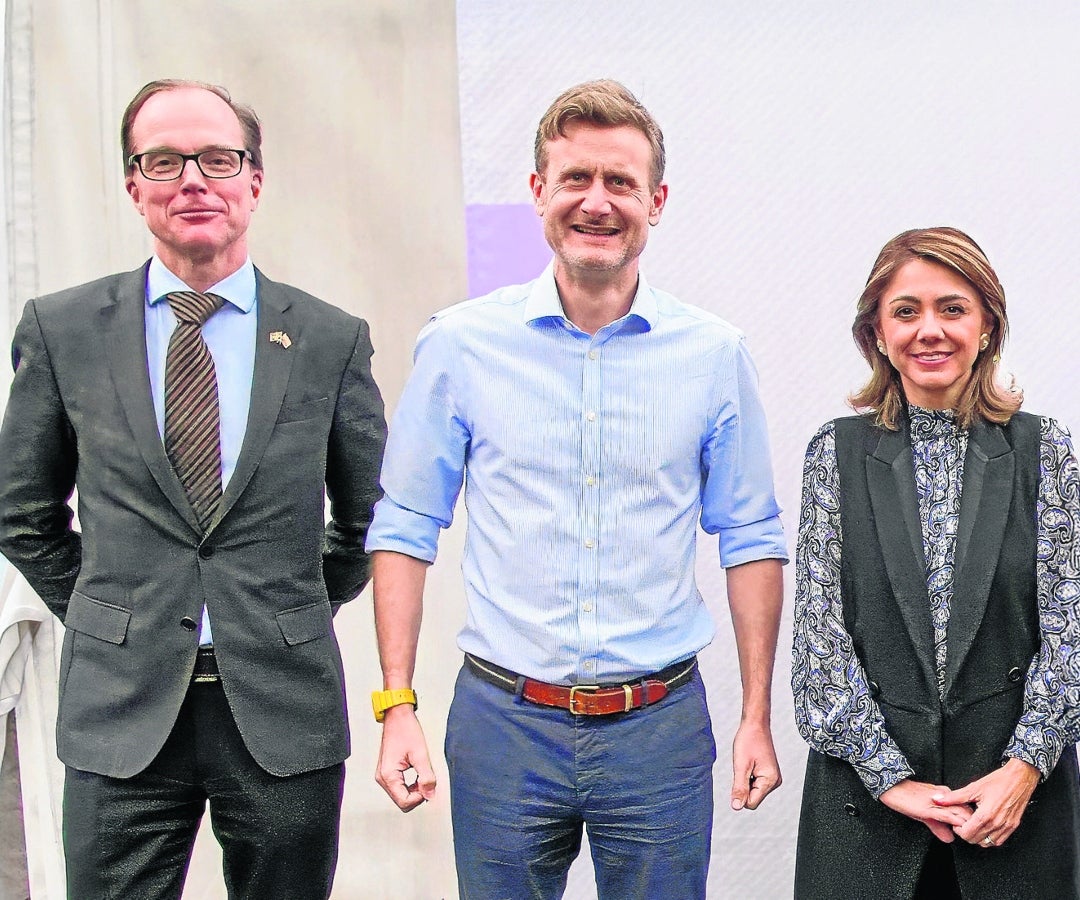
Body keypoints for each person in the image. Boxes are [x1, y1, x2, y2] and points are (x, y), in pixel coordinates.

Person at [366, 79, 787, 899]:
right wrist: (396, 706)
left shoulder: (713, 356)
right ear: (538, 193)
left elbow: (751, 537)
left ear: (656, 201)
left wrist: (756, 717)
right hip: (503, 725)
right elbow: (406, 525)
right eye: (575, 180)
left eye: (621, 182)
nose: (597, 203)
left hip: (658, 730)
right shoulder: (460, 346)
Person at [0, 79, 386, 899]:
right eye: (164, 160)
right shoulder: (62, 330)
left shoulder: (328, 338)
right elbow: (21, 512)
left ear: (255, 179)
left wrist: (285, 607)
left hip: (280, 709)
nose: (193, 180)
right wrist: (111, 613)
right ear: (133, 183)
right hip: (122, 713)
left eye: (218, 158)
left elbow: (366, 518)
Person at [791, 226, 1080, 898]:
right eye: (906, 311)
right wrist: (892, 777)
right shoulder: (835, 454)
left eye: (953, 308)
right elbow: (818, 643)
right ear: (877, 335)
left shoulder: (1047, 450)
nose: (930, 330)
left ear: (986, 329)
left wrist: (1026, 766)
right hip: (866, 814)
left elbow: (1072, 629)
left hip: (1012, 813)